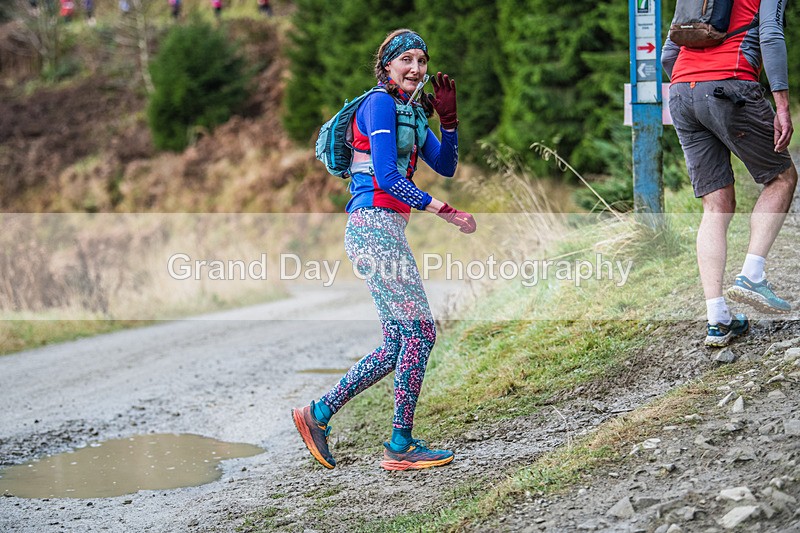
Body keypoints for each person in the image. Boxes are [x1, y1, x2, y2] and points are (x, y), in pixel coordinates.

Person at [291, 29, 476, 471]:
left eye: (422, 61)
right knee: (422, 333)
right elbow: (389, 179)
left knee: (400, 341)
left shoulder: (410, 113)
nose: (416, 68)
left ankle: (316, 414)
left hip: (385, 228)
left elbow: (446, 166)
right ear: (387, 66)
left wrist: (448, 125)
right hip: (372, 226)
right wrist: (446, 211)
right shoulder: (377, 103)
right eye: (406, 60)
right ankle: (400, 445)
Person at [662, 0, 797, 348]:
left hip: (681, 90)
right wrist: (782, 105)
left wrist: (696, 94)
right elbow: (770, 35)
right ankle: (752, 275)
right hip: (730, 85)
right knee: (781, 177)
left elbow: (668, 52)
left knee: (715, 204)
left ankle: (717, 318)